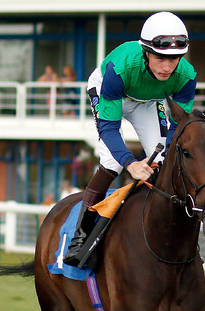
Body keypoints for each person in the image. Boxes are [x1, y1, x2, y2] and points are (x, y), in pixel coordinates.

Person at [63, 12, 197, 267]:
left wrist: (164, 151)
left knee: (166, 160)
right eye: (161, 58)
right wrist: (130, 163)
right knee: (113, 163)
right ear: (146, 51)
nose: (168, 67)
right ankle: (81, 235)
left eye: (175, 59)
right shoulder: (119, 68)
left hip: (147, 102)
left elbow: (177, 126)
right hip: (108, 90)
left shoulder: (187, 76)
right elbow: (109, 128)